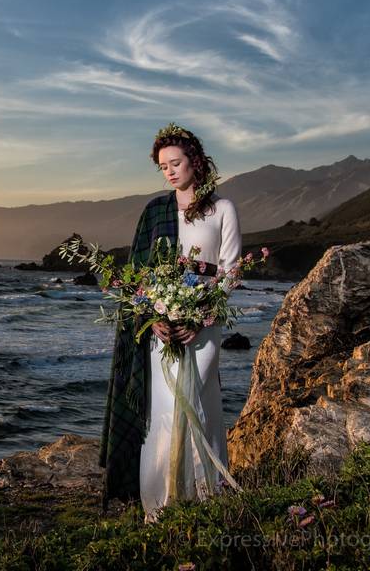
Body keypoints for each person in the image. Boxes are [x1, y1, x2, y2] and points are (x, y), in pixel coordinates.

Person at [98, 123, 242, 522]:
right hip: (161, 329)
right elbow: (140, 275)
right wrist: (153, 317)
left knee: (199, 406)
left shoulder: (223, 210)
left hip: (203, 328)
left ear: (195, 160)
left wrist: (202, 317)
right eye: (163, 167)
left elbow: (229, 272)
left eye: (176, 163)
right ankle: (159, 507)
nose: (170, 172)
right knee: (161, 412)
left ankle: (203, 499)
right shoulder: (155, 212)